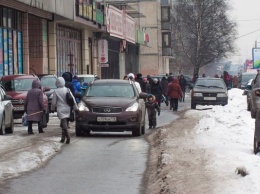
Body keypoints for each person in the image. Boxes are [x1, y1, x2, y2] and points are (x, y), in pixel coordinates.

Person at [51, 77, 78, 144]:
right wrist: (75, 108)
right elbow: (73, 99)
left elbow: (53, 102)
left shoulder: (56, 91)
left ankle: (68, 137)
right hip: (68, 108)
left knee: (64, 124)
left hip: (60, 109)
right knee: (65, 123)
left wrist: (52, 109)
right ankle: (63, 138)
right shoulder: (67, 90)